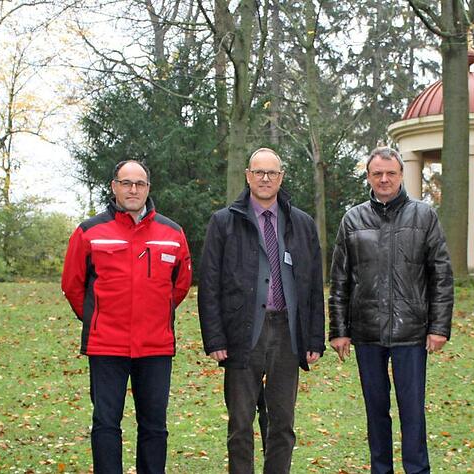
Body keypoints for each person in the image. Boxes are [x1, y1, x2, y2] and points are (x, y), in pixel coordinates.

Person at [61, 160, 192, 474]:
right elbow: (73, 285)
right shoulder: (89, 231)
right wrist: (97, 318)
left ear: (148, 188)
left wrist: (156, 313)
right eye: (126, 183)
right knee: (106, 423)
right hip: (107, 345)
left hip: (155, 346)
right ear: (114, 186)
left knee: (154, 426)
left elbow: (181, 284)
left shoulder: (172, 233)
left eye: (140, 184)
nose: (133, 189)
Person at [198, 148, 325, 473]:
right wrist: (215, 339)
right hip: (243, 332)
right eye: (259, 172)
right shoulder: (224, 222)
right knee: (241, 424)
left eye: (272, 173)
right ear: (247, 175)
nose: (265, 179)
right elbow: (209, 285)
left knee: (282, 423)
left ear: (281, 177)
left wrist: (314, 338)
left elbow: (312, 285)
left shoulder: (302, 224)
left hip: (286, 333)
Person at [329, 146, 454, 474]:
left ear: (401, 175)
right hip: (367, 331)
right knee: (376, 411)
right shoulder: (353, 219)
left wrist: (439, 327)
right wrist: (339, 330)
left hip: (411, 332)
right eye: (377, 174)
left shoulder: (424, 216)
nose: (384, 179)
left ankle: (417, 470)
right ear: (369, 176)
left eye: (391, 173)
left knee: (412, 412)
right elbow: (339, 278)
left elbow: (440, 274)